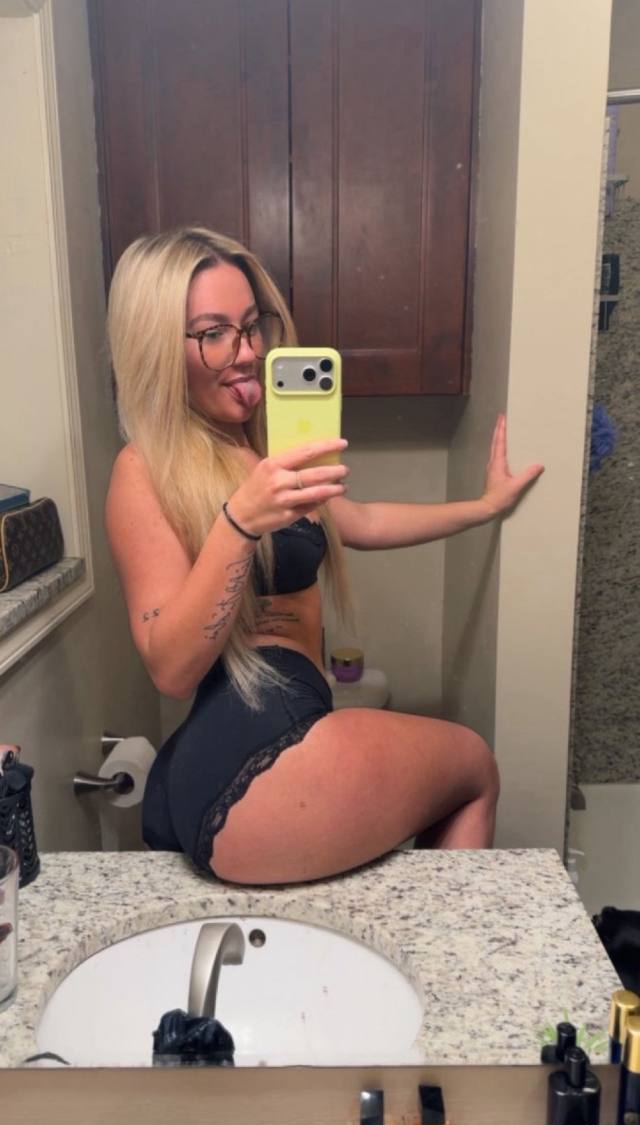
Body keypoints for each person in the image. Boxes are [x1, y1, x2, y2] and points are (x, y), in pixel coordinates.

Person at [105, 226, 544, 885]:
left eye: (251, 325)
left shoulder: (259, 450)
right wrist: (238, 522)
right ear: (156, 346)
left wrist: (482, 507)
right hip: (256, 745)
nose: (247, 352)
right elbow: (170, 667)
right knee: (475, 765)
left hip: (250, 747)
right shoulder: (142, 470)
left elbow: (359, 521)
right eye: (213, 333)